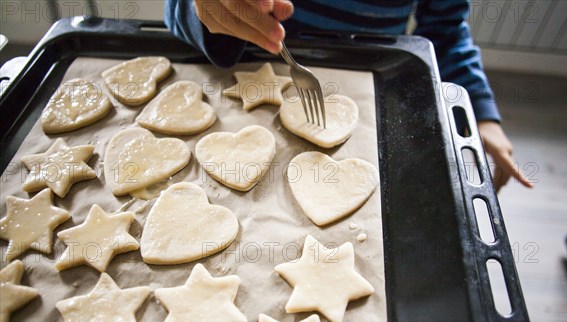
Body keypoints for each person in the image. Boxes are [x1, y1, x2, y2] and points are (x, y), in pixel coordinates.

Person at [164, 0, 533, 191]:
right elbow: (177, 12)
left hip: (375, 94)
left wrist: (478, 113)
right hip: (238, 78)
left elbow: (445, 35)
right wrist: (204, 10)